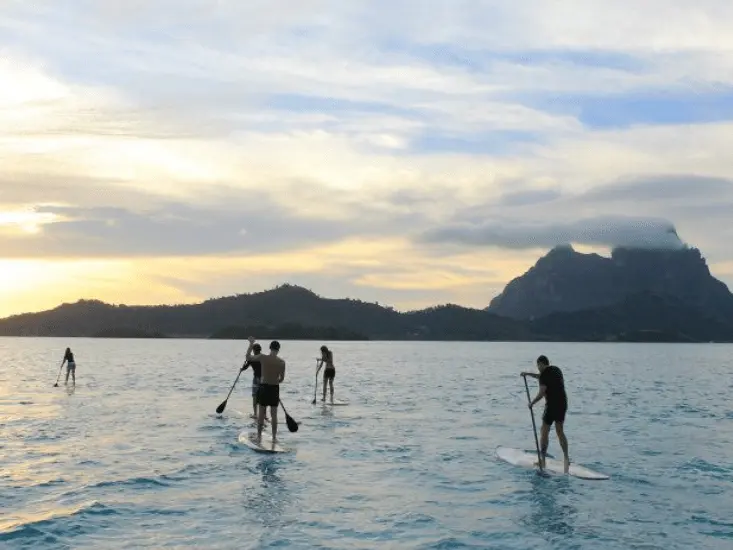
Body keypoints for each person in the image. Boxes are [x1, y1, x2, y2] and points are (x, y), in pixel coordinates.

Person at [521, 355, 570, 473]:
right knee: (560, 431)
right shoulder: (557, 370)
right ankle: (566, 459)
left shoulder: (543, 375)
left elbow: (542, 392)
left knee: (544, 431)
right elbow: (541, 377)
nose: (537, 368)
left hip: (551, 406)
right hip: (562, 404)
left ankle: (542, 460)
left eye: (538, 365)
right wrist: (527, 374)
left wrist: (532, 403)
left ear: (541, 364)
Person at [246, 336, 285, 444]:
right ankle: (274, 438)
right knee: (274, 415)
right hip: (274, 389)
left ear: (270, 348)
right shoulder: (282, 362)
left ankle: (258, 437)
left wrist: (251, 344)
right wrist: (275, 380)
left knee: (261, 414)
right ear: (278, 350)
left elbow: (248, 357)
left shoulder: (263, 357)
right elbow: (281, 379)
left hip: (263, 388)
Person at [241, 343, 268, 421]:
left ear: (253, 350)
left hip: (256, 379)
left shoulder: (251, 358)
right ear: (260, 350)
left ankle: (256, 414)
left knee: (255, 396)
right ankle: (264, 415)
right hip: (264, 379)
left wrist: (242, 369)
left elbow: (245, 367)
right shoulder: (263, 357)